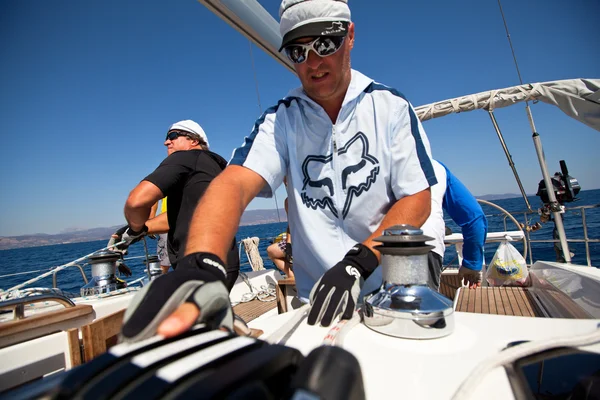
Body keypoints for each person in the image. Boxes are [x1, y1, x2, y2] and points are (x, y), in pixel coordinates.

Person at [120, 0, 439, 342]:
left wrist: (359, 261)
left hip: (396, 293)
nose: (312, 63)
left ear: (350, 36)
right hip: (320, 303)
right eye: (297, 52)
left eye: (324, 44)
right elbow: (233, 184)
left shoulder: (390, 107)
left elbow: (417, 197)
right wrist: (202, 263)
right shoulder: (281, 121)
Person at [108, 119, 240, 290]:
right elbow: (179, 218)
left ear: (194, 141)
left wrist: (134, 227)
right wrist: (143, 229)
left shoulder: (185, 157)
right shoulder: (216, 167)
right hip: (224, 262)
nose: (166, 142)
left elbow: (136, 201)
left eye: (173, 135)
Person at [436, 160, 488, 287]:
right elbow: (474, 218)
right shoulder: (436, 168)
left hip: (381, 252)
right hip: (422, 256)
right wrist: (472, 263)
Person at [267, 198, 294, 278]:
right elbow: (291, 224)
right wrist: (289, 244)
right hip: (296, 240)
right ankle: (292, 277)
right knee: (271, 250)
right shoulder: (288, 201)